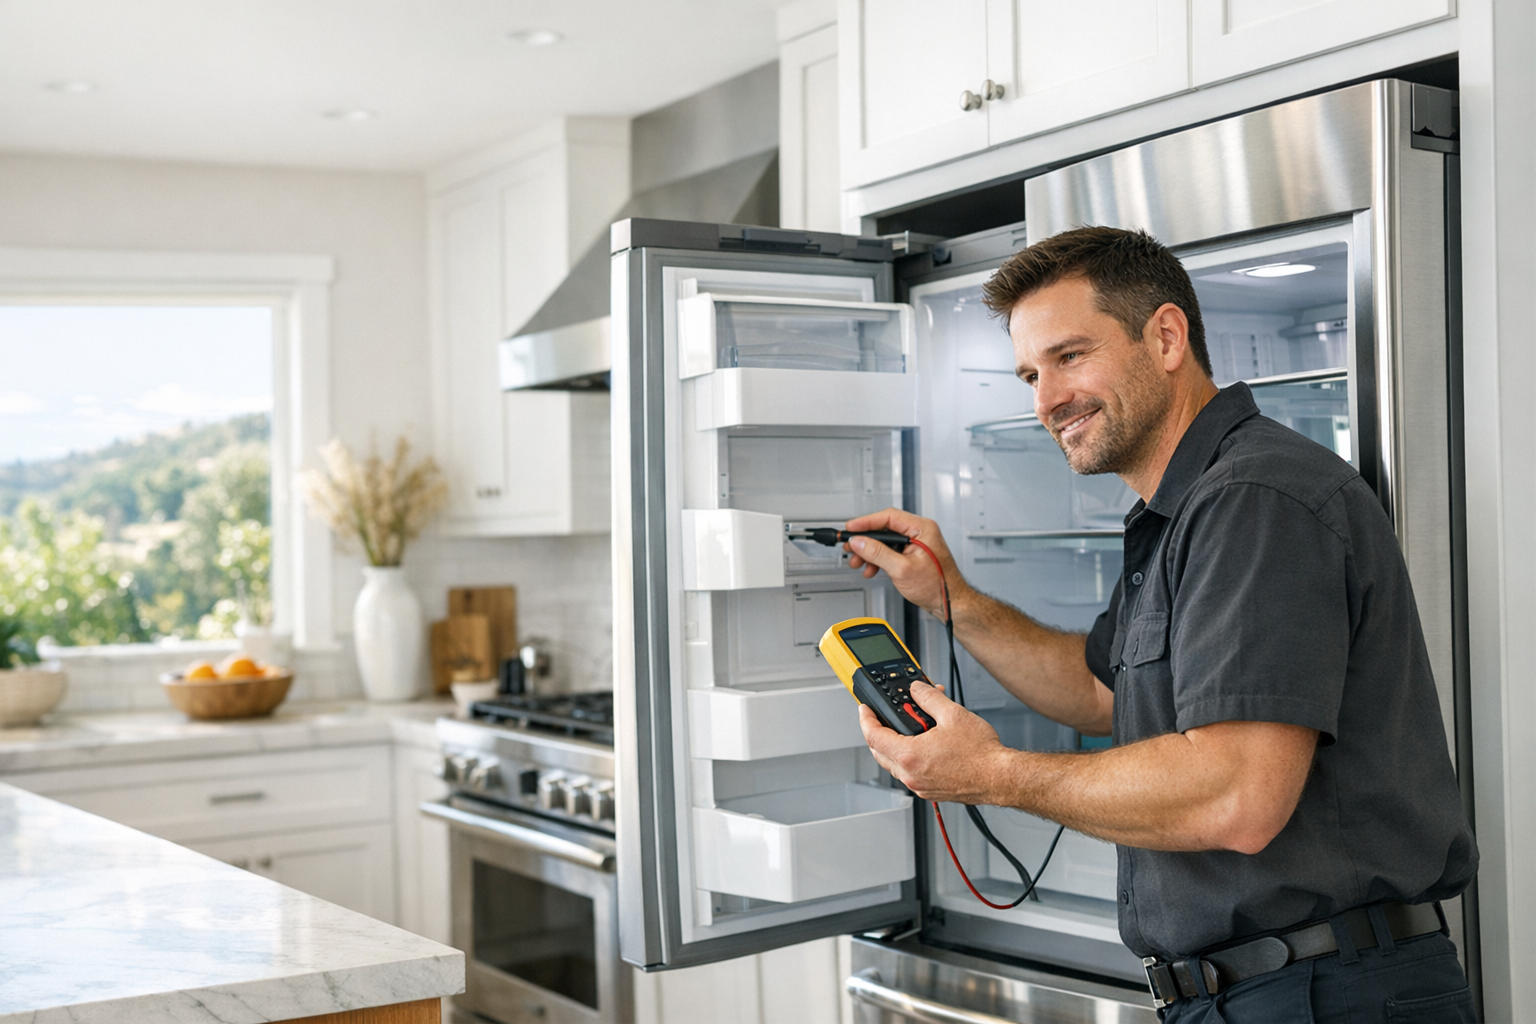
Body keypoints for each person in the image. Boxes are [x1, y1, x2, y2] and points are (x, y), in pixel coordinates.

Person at [842, 227, 1478, 1023]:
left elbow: (1237, 796)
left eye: (1070, 357)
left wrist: (992, 773)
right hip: (1261, 994)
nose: (1045, 402)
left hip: (1323, 995)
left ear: (1167, 337)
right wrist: (952, 598)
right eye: (1030, 375)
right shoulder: (1182, 513)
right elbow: (1096, 689)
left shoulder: (1256, 501)